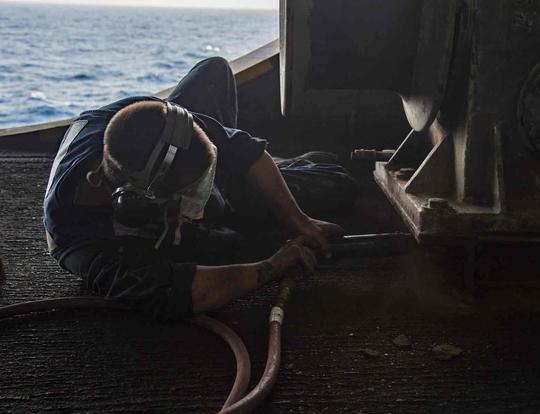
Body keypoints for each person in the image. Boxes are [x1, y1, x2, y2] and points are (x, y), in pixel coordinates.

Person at [43, 57, 356, 319]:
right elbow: (185, 292)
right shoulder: (80, 241)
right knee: (228, 241)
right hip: (146, 219)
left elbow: (244, 149)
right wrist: (274, 265)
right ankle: (235, 193)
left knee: (215, 70)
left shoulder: (152, 121)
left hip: (174, 165)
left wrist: (298, 221)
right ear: (142, 201)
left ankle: (264, 170)